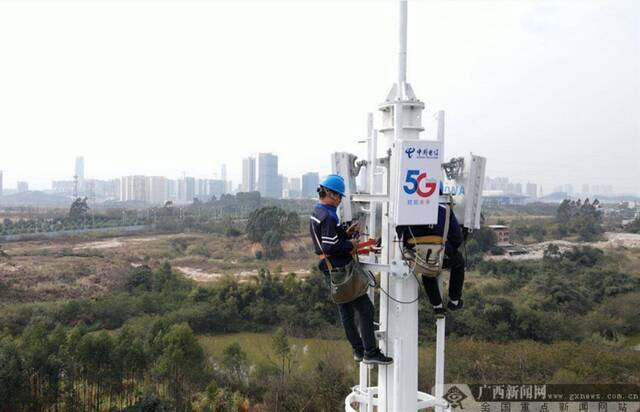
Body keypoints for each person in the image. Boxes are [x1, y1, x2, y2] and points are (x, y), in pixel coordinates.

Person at [309, 174, 393, 365]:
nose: (339, 201)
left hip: (329, 269)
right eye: (338, 196)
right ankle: (370, 351)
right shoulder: (329, 215)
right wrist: (351, 243)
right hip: (340, 269)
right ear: (330, 194)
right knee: (365, 308)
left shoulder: (318, 211)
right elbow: (330, 247)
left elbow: (327, 241)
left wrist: (344, 234)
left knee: (345, 310)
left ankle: (358, 350)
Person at [396, 203, 465, 316]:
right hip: (440, 255)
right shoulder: (444, 210)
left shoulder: (407, 205)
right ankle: (454, 300)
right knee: (458, 262)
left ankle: (437, 306)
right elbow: (457, 238)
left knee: (427, 271)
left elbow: (399, 232)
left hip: (415, 256)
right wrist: (448, 249)